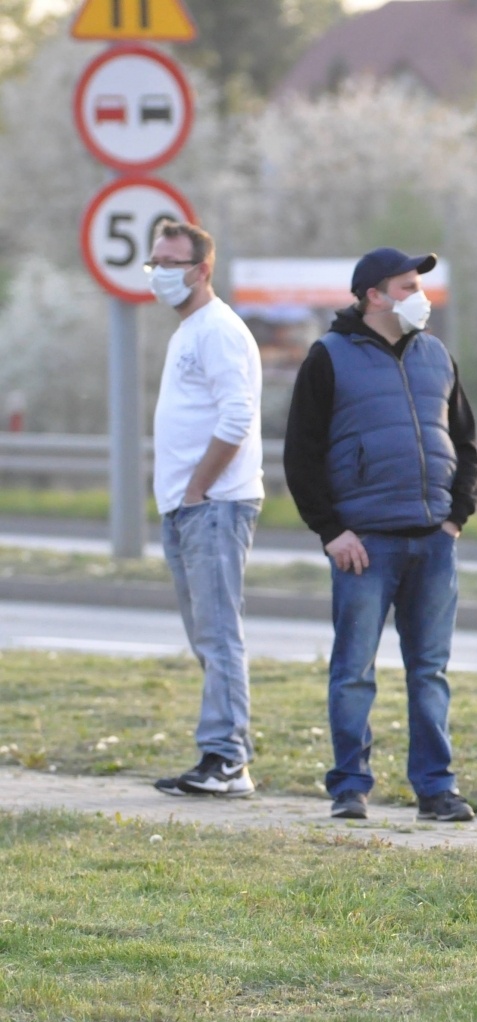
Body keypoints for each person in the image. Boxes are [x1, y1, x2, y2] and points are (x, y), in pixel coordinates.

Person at [283, 248, 477, 822]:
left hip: (433, 542)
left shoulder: (436, 356)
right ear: (373, 295)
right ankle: (350, 786)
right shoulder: (329, 357)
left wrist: (454, 518)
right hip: (364, 544)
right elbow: (301, 454)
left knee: (430, 672)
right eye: (408, 285)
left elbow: (464, 443)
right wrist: (331, 531)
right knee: (353, 671)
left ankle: (437, 790)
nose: (419, 295)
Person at [148, 221, 264, 799]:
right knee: (207, 637)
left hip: (213, 506)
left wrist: (197, 489)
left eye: (172, 262)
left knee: (218, 635)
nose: (160, 273)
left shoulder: (216, 329)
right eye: (155, 262)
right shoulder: (190, 330)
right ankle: (225, 751)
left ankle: (226, 759)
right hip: (189, 509)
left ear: (202, 269)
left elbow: (236, 417)